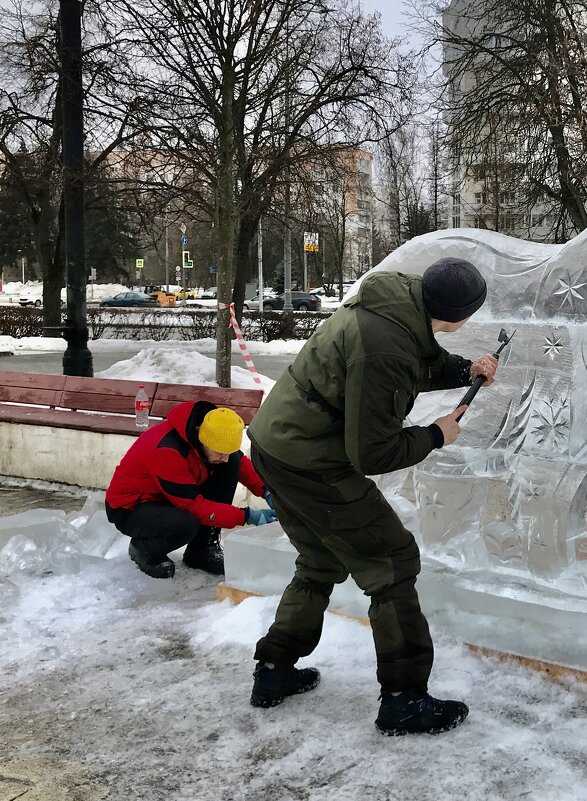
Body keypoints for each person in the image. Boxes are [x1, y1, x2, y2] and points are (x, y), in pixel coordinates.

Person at [246, 257, 498, 736]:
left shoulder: (393, 307)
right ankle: (404, 699)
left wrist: (467, 369)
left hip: (275, 447)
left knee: (320, 561)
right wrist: (436, 435)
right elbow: (372, 452)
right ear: (462, 314)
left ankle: (274, 669)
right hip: (311, 462)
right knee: (393, 562)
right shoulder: (386, 345)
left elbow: (413, 362)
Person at [105, 402, 277, 579]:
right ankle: (144, 549)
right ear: (202, 440)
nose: (224, 458)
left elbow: (238, 462)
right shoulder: (167, 450)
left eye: (228, 451)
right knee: (185, 525)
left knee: (232, 463)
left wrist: (267, 491)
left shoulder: (211, 435)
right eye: (219, 452)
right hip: (131, 507)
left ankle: (201, 550)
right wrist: (247, 516)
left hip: (169, 495)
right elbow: (192, 506)